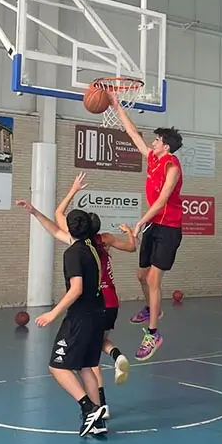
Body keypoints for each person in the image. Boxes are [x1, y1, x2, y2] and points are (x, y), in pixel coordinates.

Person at [16, 200, 108, 437]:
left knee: (57, 366)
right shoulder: (92, 248)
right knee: (87, 366)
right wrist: (35, 212)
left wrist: (52, 313)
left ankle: (88, 408)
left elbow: (76, 288)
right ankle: (98, 422)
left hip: (80, 317)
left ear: (71, 228)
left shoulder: (73, 253)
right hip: (98, 313)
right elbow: (55, 230)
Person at [109, 92, 184, 361]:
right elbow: (133, 135)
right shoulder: (153, 158)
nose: (152, 142)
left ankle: (153, 333)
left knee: (154, 279)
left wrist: (140, 221)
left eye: (157, 140)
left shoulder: (172, 166)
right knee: (142, 276)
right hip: (154, 225)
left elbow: (164, 199)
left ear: (166, 146)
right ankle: (154, 309)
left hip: (169, 228)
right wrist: (117, 107)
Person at [54, 173, 135, 418]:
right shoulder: (105, 240)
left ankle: (100, 406)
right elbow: (132, 247)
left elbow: (58, 215)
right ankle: (116, 355)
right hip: (110, 300)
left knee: (90, 360)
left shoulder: (79, 247)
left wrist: (73, 189)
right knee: (95, 347)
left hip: (88, 303)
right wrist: (130, 232)